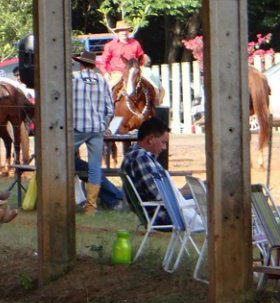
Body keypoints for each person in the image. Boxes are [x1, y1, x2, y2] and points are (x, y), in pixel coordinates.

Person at [121, 116, 200, 228]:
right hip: (165, 214)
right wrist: (183, 191)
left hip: (161, 210)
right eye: (163, 142)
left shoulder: (134, 155)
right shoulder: (141, 158)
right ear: (150, 139)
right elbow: (159, 195)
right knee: (209, 197)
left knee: (205, 193)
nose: (164, 148)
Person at [72, 50, 115, 214]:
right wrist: (103, 125)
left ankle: (63, 198)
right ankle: (91, 206)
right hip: (97, 129)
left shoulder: (73, 79)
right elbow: (110, 109)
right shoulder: (102, 81)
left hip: (76, 128)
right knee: (95, 167)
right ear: (93, 65)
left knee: (62, 159)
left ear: (81, 64)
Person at [100, 20, 145, 89]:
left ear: (128, 31)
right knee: (109, 88)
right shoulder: (110, 45)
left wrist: (141, 68)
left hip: (133, 74)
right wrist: (105, 73)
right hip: (117, 74)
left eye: (126, 30)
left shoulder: (135, 43)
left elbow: (141, 58)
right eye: (122, 30)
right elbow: (103, 61)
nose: (124, 32)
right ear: (117, 32)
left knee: (152, 86)